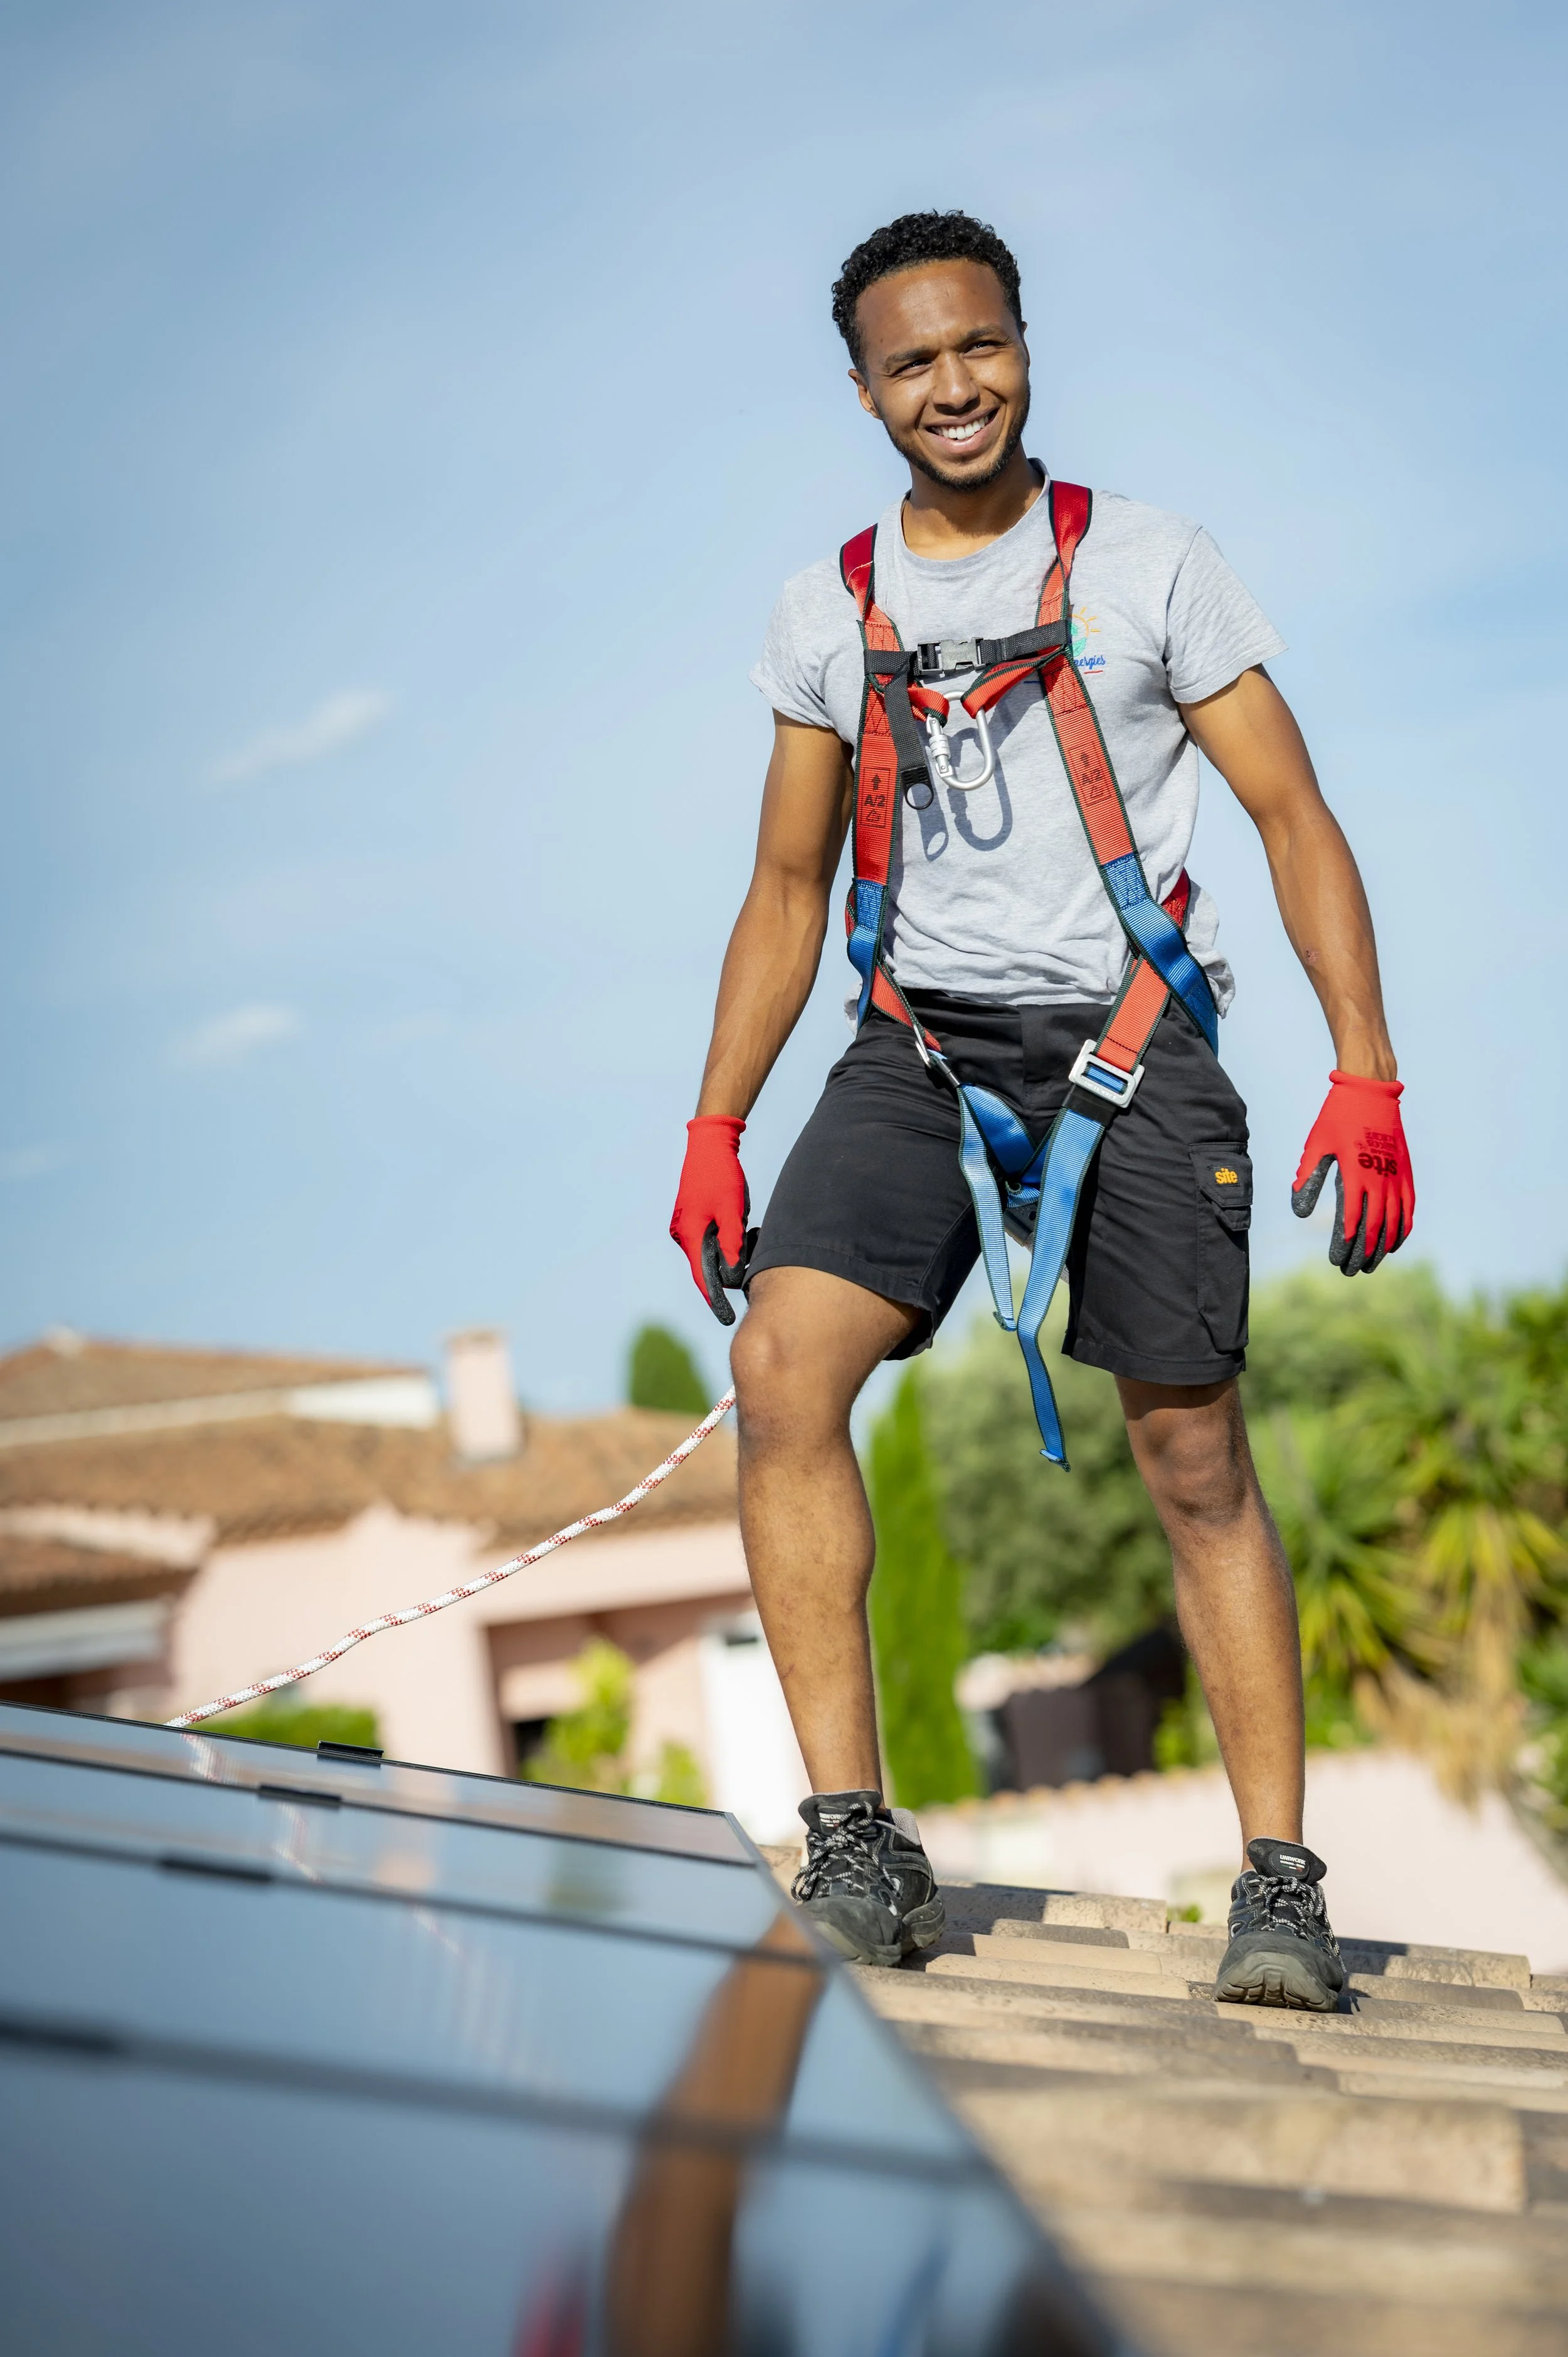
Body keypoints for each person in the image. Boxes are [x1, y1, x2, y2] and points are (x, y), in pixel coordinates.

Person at [669, 211, 1415, 2007]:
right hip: (915, 1047)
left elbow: (1291, 818)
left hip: (1134, 1037)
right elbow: (785, 887)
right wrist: (712, 1122)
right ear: (863, 391)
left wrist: (1364, 1066)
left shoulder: (1153, 566)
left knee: (1190, 1453)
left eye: (978, 346)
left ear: (1023, 343)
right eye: (912, 362)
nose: (955, 385)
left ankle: (1277, 1883)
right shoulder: (826, 613)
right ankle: (853, 1836)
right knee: (781, 1372)